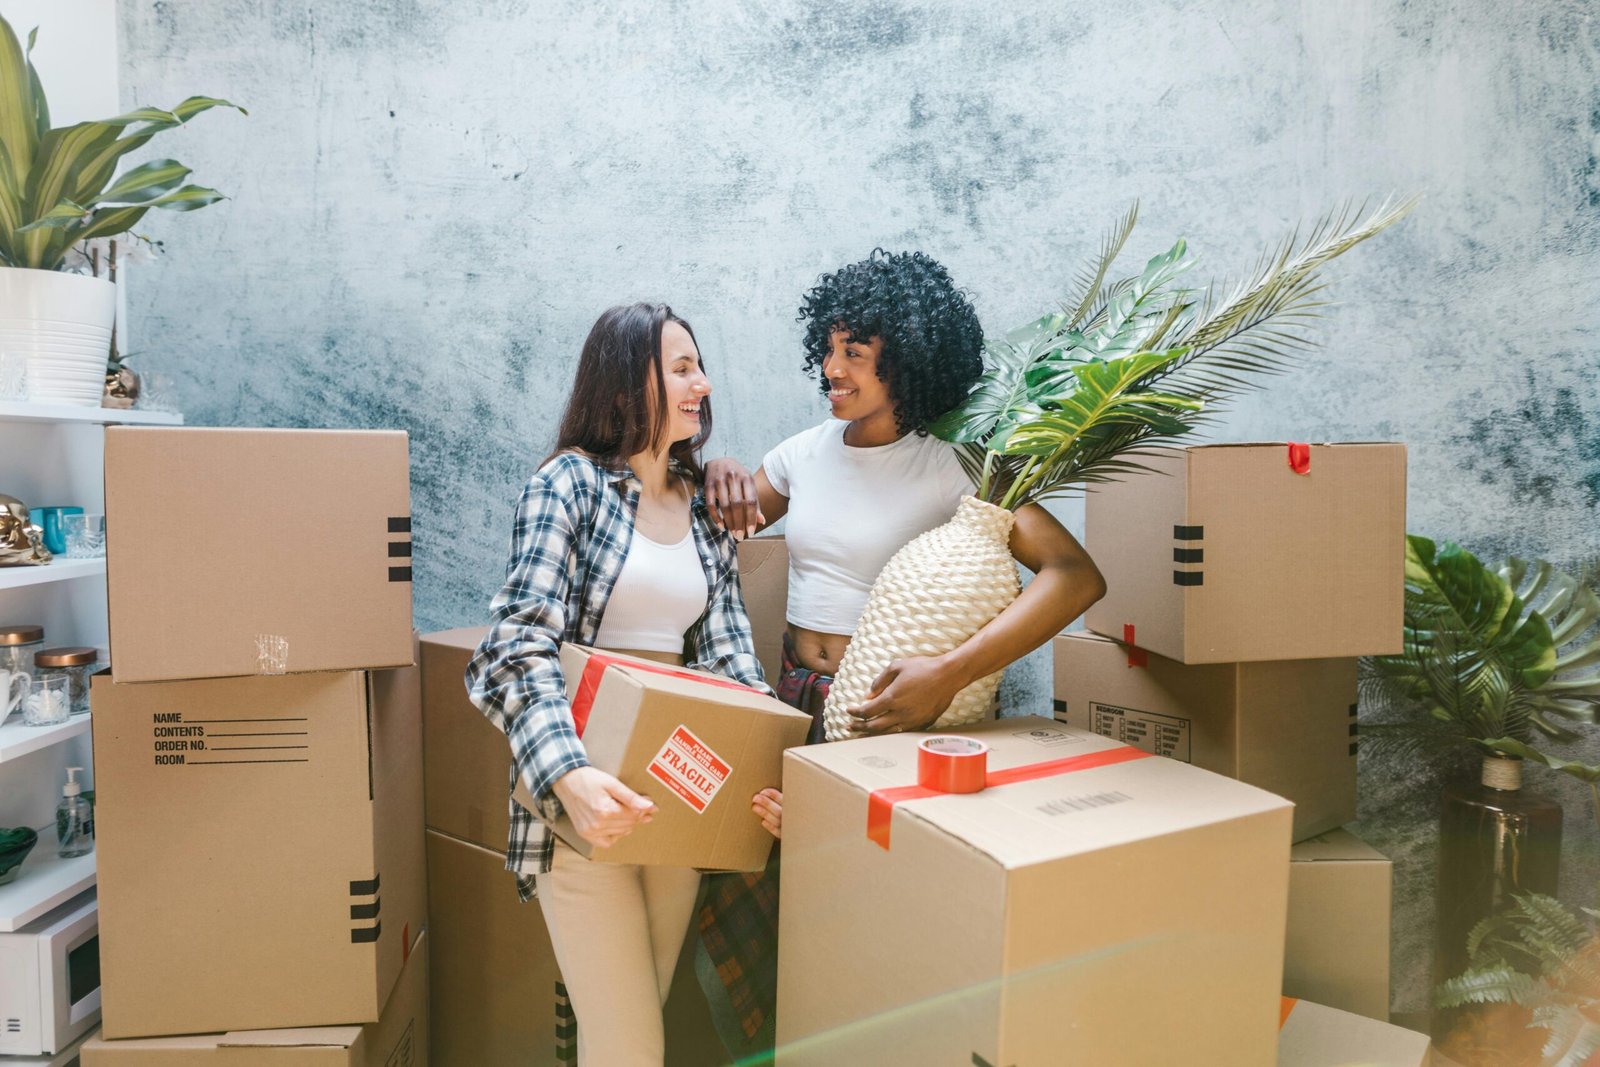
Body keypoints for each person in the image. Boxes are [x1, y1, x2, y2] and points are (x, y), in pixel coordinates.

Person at [696, 250, 1108, 1062]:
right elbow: (720, 523)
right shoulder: (806, 453)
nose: (831, 368)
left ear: (910, 356)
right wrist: (717, 470)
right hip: (794, 706)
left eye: (856, 351)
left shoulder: (961, 463)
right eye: (829, 346)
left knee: (871, 920)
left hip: (895, 719)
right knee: (773, 909)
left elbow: (1075, 576)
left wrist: (948, 674)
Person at [465, 302, 772, 1067]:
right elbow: (514, 646)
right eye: (681, 367)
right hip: (584, 806)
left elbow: (732, 663)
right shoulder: (567, 486)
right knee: (630, 1047)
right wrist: (568, 776)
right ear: (625, 380)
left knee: (637, 1029)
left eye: (700, 366)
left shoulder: (703, 511)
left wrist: (768, 772)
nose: (702, 382)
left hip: (679, 802)